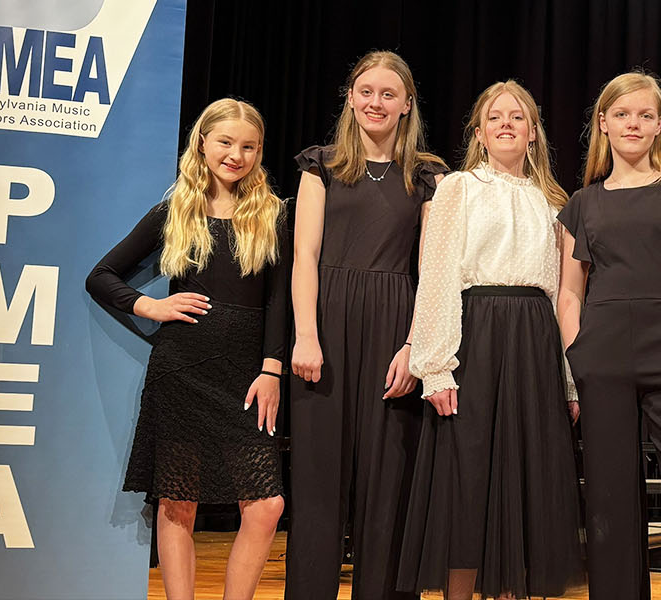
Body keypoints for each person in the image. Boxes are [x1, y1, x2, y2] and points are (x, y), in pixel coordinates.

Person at [84, 98, 290, 600]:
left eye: (248, 146)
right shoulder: (175, 209)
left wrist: (272, 370)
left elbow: (279, 300)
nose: (235, 155)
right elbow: (101, 276)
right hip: (182, 370)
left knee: (266, 506)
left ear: (259, 152)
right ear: (202, 142)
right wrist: (150, 307)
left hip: (246, 376)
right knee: (178, 502)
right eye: (225, 142)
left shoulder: (273, 214)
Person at [398, 80, 585, 600]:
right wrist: (435, 366)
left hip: (534, 339)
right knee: (467, 478)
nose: (506, 122)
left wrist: (569, 381)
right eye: (495, 116)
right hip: (475, 334)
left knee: (528, 483)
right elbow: (436, 276)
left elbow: (564, 296)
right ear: (479, 132)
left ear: (532, 133)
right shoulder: (456, 188)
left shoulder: (554, 202)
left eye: (518, 116)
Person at [285, 50, 450, 600]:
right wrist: (306, 334)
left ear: (406, 105)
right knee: (317, 485)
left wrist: (416, 347)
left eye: (388, 94)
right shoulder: (322, 165)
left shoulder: (428, 175)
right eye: (366, 92)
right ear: (351, 99)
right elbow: (304, 256)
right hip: (327, 326)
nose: (375, 102)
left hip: (394, 328)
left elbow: (432, 268)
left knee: (388, 488)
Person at [556, 70, 661, 600]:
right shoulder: (583, 203)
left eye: (645, 115)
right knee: (608, 493)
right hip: (601, 353)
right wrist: (575, 356)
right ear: (603, 123)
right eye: (623, 114)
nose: (634, 123)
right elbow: (569, 292)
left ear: (659, 126)